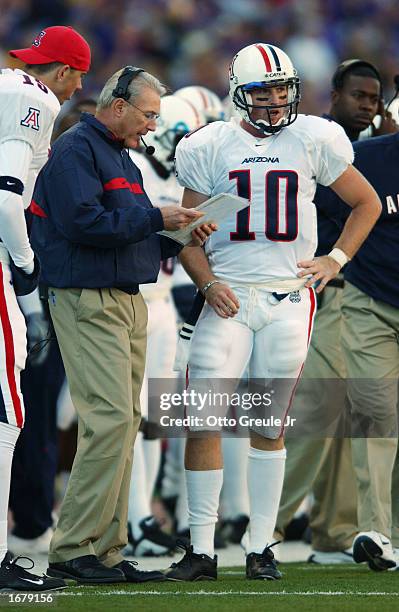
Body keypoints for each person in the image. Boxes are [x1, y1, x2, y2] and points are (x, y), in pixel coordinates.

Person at [163, 42, 381, 582]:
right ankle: (202, 549)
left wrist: (335, 258)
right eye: (264, 91)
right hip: (228, 295)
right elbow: (184, 232)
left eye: (283, 89)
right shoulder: (209, 144)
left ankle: (262, 546)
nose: (275, 100)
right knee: (204, 419)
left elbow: (367, 203)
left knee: (270, 423)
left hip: (287, 297)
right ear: (239, 92)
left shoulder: (314, 137)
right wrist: (207, 281)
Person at [30, 66, 215, 585]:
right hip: (88, 298)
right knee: (109, 421)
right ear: (118, 104)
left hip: (126, 298)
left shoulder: (118, 155)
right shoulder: (76, 151)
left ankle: (107, 547)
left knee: (123, 423)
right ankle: (73, 548)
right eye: (149, 114)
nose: (152, 126)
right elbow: (85, 224)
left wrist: (181, 228)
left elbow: (130, 232)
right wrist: (160, 219)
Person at [276, 59, 394, 563]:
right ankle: (268, 520)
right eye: (359, 97)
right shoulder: (319, 141)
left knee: (360, 414)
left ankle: (336, 528)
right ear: (334, 96)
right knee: (323, 409)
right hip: (329, 289)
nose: (367, 106)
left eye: (374, 99)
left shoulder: (375, 150)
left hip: (356, 290)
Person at [0, 25, 91, 592]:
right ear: (68, 74)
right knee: (7, 416)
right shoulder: (33, 100)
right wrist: (28, 277)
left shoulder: (9, 88)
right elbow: (8, 200)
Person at [126, 93, 201, 556]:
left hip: (165, 308)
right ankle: (132, 518)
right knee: (130, 416)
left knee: (156, 419)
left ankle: (144, 516)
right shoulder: (132, 169)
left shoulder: (178, 177)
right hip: (137, 298)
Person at [320, 130, 399, 571]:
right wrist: (335, 259)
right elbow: (324, 210)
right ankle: (377, 532)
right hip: (372, 304)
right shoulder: (366, 158)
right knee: (377, 415)